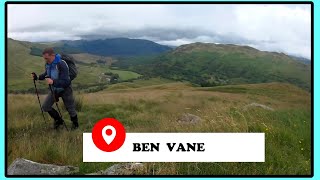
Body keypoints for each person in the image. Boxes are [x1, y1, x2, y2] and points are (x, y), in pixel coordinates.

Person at [31, 48, 79, 130]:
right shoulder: (48, 64)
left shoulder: (61, 64)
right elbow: (46, 74)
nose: (46, 60)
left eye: (47, 58)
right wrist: (37, 77)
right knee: (46, 107)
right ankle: (59, 121)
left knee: (70, 108)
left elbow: (66, 81)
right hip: (54, 89)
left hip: (66, 89)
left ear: (52, 55)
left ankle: (75, 126)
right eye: (44, 58)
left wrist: (53, 82)